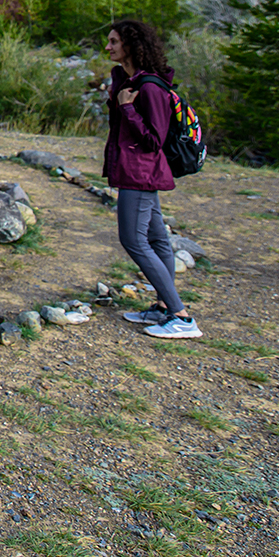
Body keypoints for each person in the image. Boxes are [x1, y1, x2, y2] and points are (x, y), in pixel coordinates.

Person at [103, 18, 200, 339]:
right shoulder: (131, 82)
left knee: (133, 240)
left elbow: (154, 140)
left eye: (114, 42)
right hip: (134, 171)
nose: (108, 47)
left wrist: (128, 109)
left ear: (131, 45)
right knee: (157, 239)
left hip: (141, 174)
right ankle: (161, 307)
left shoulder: (151, 88)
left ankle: (182, 317)